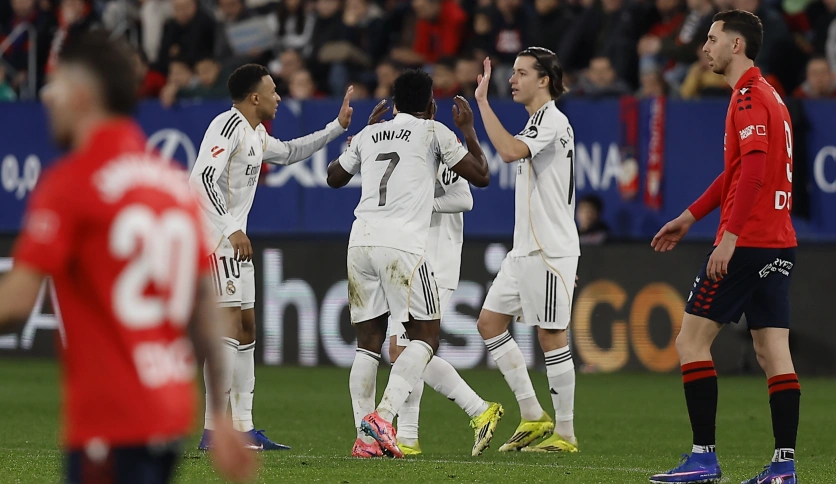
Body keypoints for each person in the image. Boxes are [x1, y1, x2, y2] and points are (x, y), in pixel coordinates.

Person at [0, 31, 255, 483]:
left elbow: (17, 303)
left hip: (110, 420)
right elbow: (204, 310)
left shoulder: (72, 182)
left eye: (56, 86)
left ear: (83, 96)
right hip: (167, 414)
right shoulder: (170, 183)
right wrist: (221, 420)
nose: (47, 98)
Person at [649, 10, 799, 484]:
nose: (704, 48)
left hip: (747, 242)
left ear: (737, 45)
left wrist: (729, 237)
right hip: (779, 242)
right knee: (773, 351)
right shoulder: (769, 95)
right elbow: (736, 171)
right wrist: (689, 216)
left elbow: (751, 172)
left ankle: (703, 458)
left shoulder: (749, 97)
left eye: (712, 39)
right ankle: (784, 467)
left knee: (690, 341)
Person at [189, 63, 354, 451]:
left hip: (234, 242)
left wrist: (336, 128)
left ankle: (244, 427)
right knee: (229, 327)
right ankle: (214, 431)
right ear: (254, 97)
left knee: (246, 327)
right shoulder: (226, 126)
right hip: (215, 240)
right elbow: (200, 179)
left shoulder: (257, 134)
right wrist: (230, 228)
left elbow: (292, 152)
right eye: (273, 90)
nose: (279, 97)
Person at [326, 69, 491, 458]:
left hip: (360, 241)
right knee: (426, 338)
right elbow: (482, 176)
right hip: (402, 246)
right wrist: (468, 130)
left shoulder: (370, 133)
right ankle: (383, 419)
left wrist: (364, 136)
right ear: (431, 105)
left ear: (395, 103)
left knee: (368, 345)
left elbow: (334, 177)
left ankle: (366, 441)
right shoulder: (434, 131)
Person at [357, 99, 504, 457]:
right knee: (405, 350)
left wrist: (422, 205)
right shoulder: (403, 146)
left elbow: (464, 198)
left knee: (404, 348)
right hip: (407, 257)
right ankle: (408, 436)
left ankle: (478, 409)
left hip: (435, 260)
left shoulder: (440, 142)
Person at [473, 48, 581, 453]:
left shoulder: (552, 120)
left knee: (551, 335)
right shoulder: (536, 122)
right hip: (526, 251)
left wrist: (483, 104)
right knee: (489, 323)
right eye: (513, 72)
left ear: (544, 80)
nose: (512, 79)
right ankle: (533, 413)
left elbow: (508, 152)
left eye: (521, 73)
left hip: (548, 250)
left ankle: (565, 433)